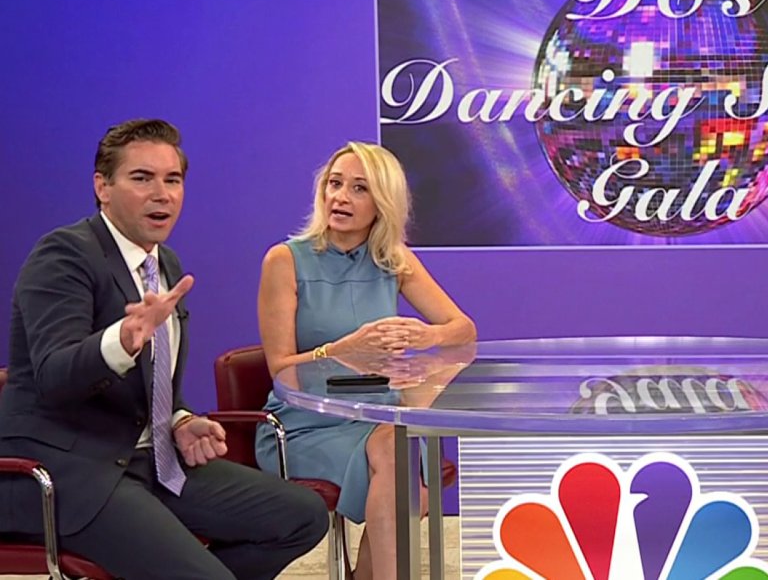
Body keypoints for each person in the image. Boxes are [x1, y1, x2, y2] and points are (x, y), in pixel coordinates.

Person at [0, 119, 329, 580]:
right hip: (71, 474)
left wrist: (179, 419)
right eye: (142, 178)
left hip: (150, 463)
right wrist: (120, 341)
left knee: (302, 516)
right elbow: (54, 378)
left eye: (172, 180)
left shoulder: (164, 262)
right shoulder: (63, 255)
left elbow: (150, 385)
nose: (162, 194)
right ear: (102, 187)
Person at [255, 141, 477, 580]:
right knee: (405, 481)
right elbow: (281, 371)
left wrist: (428, 334)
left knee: (397, 452)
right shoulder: (285, 260)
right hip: (304, 423)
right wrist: (341, 351)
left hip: (377, 415)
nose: (341, 197)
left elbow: (463, 329)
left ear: (382, 203)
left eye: (359, 188)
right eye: (335, 184)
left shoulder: (394, 260)